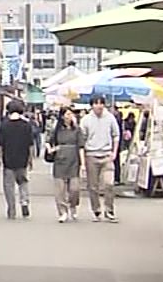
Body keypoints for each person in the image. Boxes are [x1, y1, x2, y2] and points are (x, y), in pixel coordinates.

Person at [80, 94, 123, 222]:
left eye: (101, 103)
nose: (98, 106)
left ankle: (109, 210)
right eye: (96, 103)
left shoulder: (110, 118)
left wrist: (114, 152)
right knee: (93, 186)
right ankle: (96, 210)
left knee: (109, 184)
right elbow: (82, 139)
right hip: (91, 155)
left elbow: (116, 135)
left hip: (107, 155)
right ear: (92, 105)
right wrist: (83, 160)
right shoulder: (86, 120)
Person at [0, 99, 37, 218]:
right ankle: (24, 201)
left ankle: (11, 209)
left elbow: (0, 145)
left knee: (9, 186)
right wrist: (30, 160)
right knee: (23, 182)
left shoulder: (4, 125)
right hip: (22, 159)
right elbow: (30, 144)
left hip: (8, 160)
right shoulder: (26, 125)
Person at [48, 107, 85, 221]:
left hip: (74, 160)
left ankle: (73, 206)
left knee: (74, 188)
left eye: (71, 114)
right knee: (60, 190)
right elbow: (48, 142)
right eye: (67, 114)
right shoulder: (57, 130)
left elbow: (81, 147)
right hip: (60, 160)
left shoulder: (77, 130)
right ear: (62, 116)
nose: (70, 116)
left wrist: (82, 163)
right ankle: (62, 212)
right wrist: (52, 149)